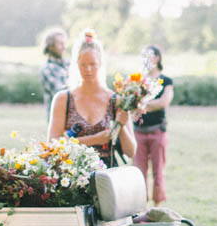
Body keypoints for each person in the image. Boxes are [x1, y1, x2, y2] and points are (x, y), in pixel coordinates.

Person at [48, 29, 137, 165]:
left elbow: (131, 152)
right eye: (83, 64)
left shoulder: (115, 100)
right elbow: (52, 145)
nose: (88, 70)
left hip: (107, 173)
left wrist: (122, 126)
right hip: (71, 172)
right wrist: (94, 139)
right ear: (76, 64)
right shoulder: (63, 99)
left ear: (100, 63)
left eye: (92, 64)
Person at [133, 45, 174, 205]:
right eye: (143, 55)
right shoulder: (138, 81)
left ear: (157, 58)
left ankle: (157, 205)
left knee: (158, 171)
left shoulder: (166, 80)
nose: (145, 59)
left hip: (157, 131)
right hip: (138, 132)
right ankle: (141, 206)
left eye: (148, 55)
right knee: (139, 172)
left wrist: (141, 104)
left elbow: (164, 102)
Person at [40, 28, 69, 119]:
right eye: (60, 44)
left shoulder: (70, 64)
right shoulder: (47, 69)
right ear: (50, 47)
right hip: (57, 118)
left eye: (64, 43)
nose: (63, 47)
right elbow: (60, 93)